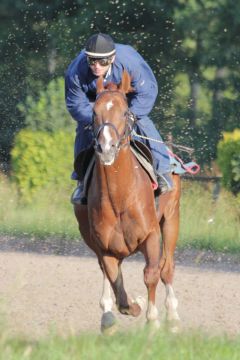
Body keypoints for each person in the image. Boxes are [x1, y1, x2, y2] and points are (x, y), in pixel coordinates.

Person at [65, 33, 173, 205]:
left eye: (103, 62)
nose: (96, 66)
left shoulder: (131, 63)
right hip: (96, 104)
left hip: (126, 100)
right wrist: (99, 119)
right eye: (92, 61)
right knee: (83, 128)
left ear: (113, 58)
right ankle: (81, 180)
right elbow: (76, 105)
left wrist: (130, 116)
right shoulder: (75, 71)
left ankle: (162, 170)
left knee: (143, 122)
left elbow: (147, 93)